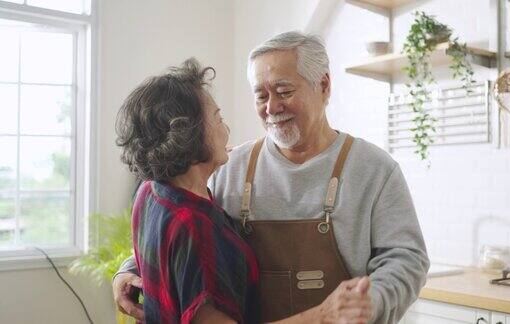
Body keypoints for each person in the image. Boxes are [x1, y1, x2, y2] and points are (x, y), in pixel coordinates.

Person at [114, 31, 429, 323]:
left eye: (284, 91)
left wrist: (370, 300)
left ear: (324, 85)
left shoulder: (375, 170)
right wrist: (129, 270)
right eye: (260, 96)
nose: (272, 107)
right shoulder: (230, 167)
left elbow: (407, 260)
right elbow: (185, 236)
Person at [115, 59, 259, 323]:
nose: (225, 130)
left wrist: (123, 271)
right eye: (217, 118)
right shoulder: (196, 227)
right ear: (188, 135)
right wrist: (322, 315)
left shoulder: (149, 192)